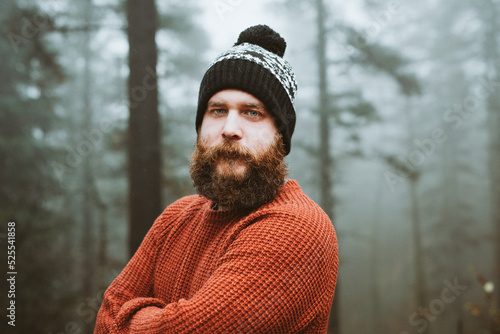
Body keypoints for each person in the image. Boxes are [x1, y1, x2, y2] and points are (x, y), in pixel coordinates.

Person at [94, 24, 339, 334]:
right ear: (200, 125)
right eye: (218, 110)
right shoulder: (174, 219)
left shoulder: (298, 228)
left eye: (252, 112)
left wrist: (132, 319)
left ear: (280, 135)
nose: (230, 128)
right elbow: (105, 316)